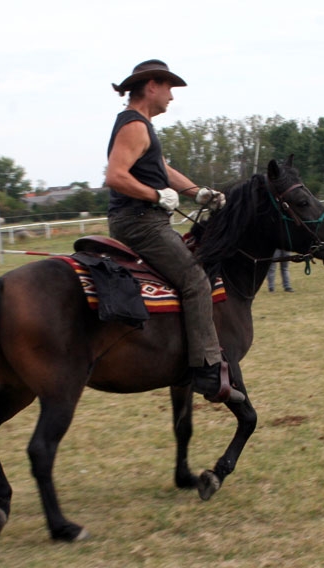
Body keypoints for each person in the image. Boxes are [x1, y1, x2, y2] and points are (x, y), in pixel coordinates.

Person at [105, 60, 244, 403]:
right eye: (168, 88)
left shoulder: (143, 127)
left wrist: (197, 192)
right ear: (151, 86)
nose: (171, 96)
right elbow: (116, 175)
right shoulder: (135, 126)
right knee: (196, 279)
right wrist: (155, 195)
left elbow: (162, 170)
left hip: (143, 219)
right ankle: (207, 367)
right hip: (141, 222)